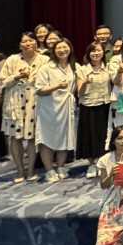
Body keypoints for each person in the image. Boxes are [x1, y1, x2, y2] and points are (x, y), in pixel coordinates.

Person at [0, 32, 47, 182]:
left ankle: (31, 170)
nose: (28, 43)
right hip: (14, 101)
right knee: (15, 137)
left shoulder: (44, 60)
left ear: (36, 43)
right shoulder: (12, 59)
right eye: (24, 41)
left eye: (31, 40)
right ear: (20, 45)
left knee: (32, 138)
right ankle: (20, 170)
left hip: (35, 101)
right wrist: (17, 77)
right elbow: (1, 81)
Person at [35, 37, 78, 182]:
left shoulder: (74, 66)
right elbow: (39, 89)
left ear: (70, 49)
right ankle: (49, 170)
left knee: (64, 136)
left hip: (66, 106)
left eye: (65, 47)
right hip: (48, 108)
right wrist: (57, 86)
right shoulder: (46, 68)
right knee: (46, 138)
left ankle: (60, 166)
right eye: (59, 48)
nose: (62, 50)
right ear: (54, 50)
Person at [75, 40, 115, 177]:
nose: (96, 53)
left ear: (103, 52)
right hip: (88, 106)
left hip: (105, 105)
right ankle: (91, 164)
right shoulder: (82, 70)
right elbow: (79, 93)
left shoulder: (108, 68)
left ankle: (103, 162)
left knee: (104, 135)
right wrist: (85, 83)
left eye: (99, 50)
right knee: (89, 135)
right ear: (88, 53)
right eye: (93, 51)